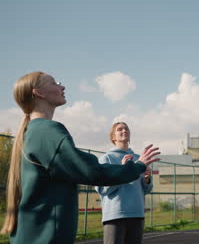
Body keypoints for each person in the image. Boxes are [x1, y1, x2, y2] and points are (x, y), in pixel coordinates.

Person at [1, 72, 161, 244]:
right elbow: (91, 171)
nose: (62, 86)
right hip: (46, 237)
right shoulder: (47, 131)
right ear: (39, 93)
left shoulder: (34, 132)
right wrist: (136, 167)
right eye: (54, 83)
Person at [96, 122, 156, 244]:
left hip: (137, 213)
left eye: (126, 129)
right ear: (113, 137)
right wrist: (123, 171)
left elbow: (145, 190)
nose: (124, 131)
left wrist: (146, 179)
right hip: (115, 214)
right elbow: (101, 188)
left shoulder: (139, 158)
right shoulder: (106, 158)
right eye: (119, 129)